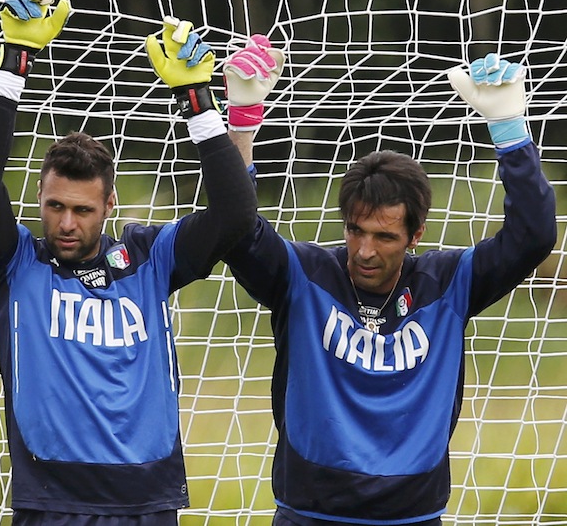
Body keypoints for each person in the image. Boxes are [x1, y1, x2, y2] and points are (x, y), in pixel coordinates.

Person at [0, 0, 257, 526]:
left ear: (110, 204)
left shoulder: (149, 258)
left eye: (84, 210)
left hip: (148, 503)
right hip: (52, 504)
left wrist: (198, 103)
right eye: (54, 206)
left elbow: (236, 218)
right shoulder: (14, 262)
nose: (65, 223)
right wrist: (14, 63)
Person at [223, 43, 557, 525]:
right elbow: (236, 230)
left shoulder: (448, 284)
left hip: (413, 517)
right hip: (309, 514)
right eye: (355, 230)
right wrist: (243, 126)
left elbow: (534, 235)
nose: (364, 250)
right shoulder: (303, 275)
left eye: (385, 237)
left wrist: (509, 130)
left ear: (415, 234)